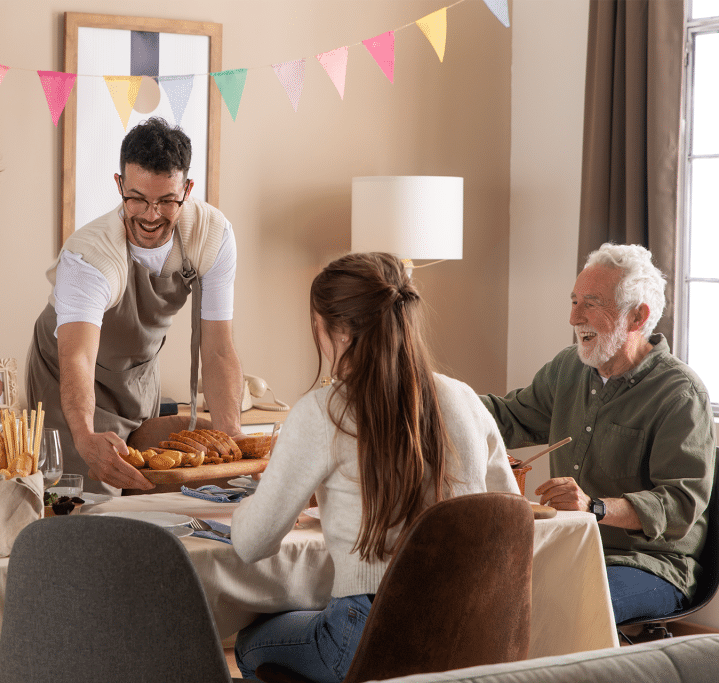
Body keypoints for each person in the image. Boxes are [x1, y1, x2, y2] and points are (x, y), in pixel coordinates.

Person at [231, 252, 519, 682]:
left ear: (338, 331)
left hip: (371, 638)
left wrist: (259, 495)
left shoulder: (323, 412)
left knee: (249, 643)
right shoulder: (465, 399)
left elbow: (251, 544)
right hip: (471, 634)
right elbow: (509, 513)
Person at [481, 243, 715, 625]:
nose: (574, 317)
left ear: (637, 316)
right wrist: (435, 397)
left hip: (652, 564)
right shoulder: (567, 368)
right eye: (574, 301)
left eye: (590, 304)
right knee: (477, 586)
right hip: (572, 546)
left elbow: (679, 505)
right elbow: (507, 418)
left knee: (562, 608)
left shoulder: (681, 394)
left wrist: (594, 506)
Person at [27, 117, 244, 493]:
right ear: (119, 185)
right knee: (84, 499)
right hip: (69, 375)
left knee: (148, 492)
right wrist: (84, 435)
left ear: (187, 189)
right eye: (137, 198)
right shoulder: (89, 256)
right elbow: (77, 357)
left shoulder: (213, 235)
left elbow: (218, 349)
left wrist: (232, 433)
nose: (150, 215)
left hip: (137, 375)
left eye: (166, 201)